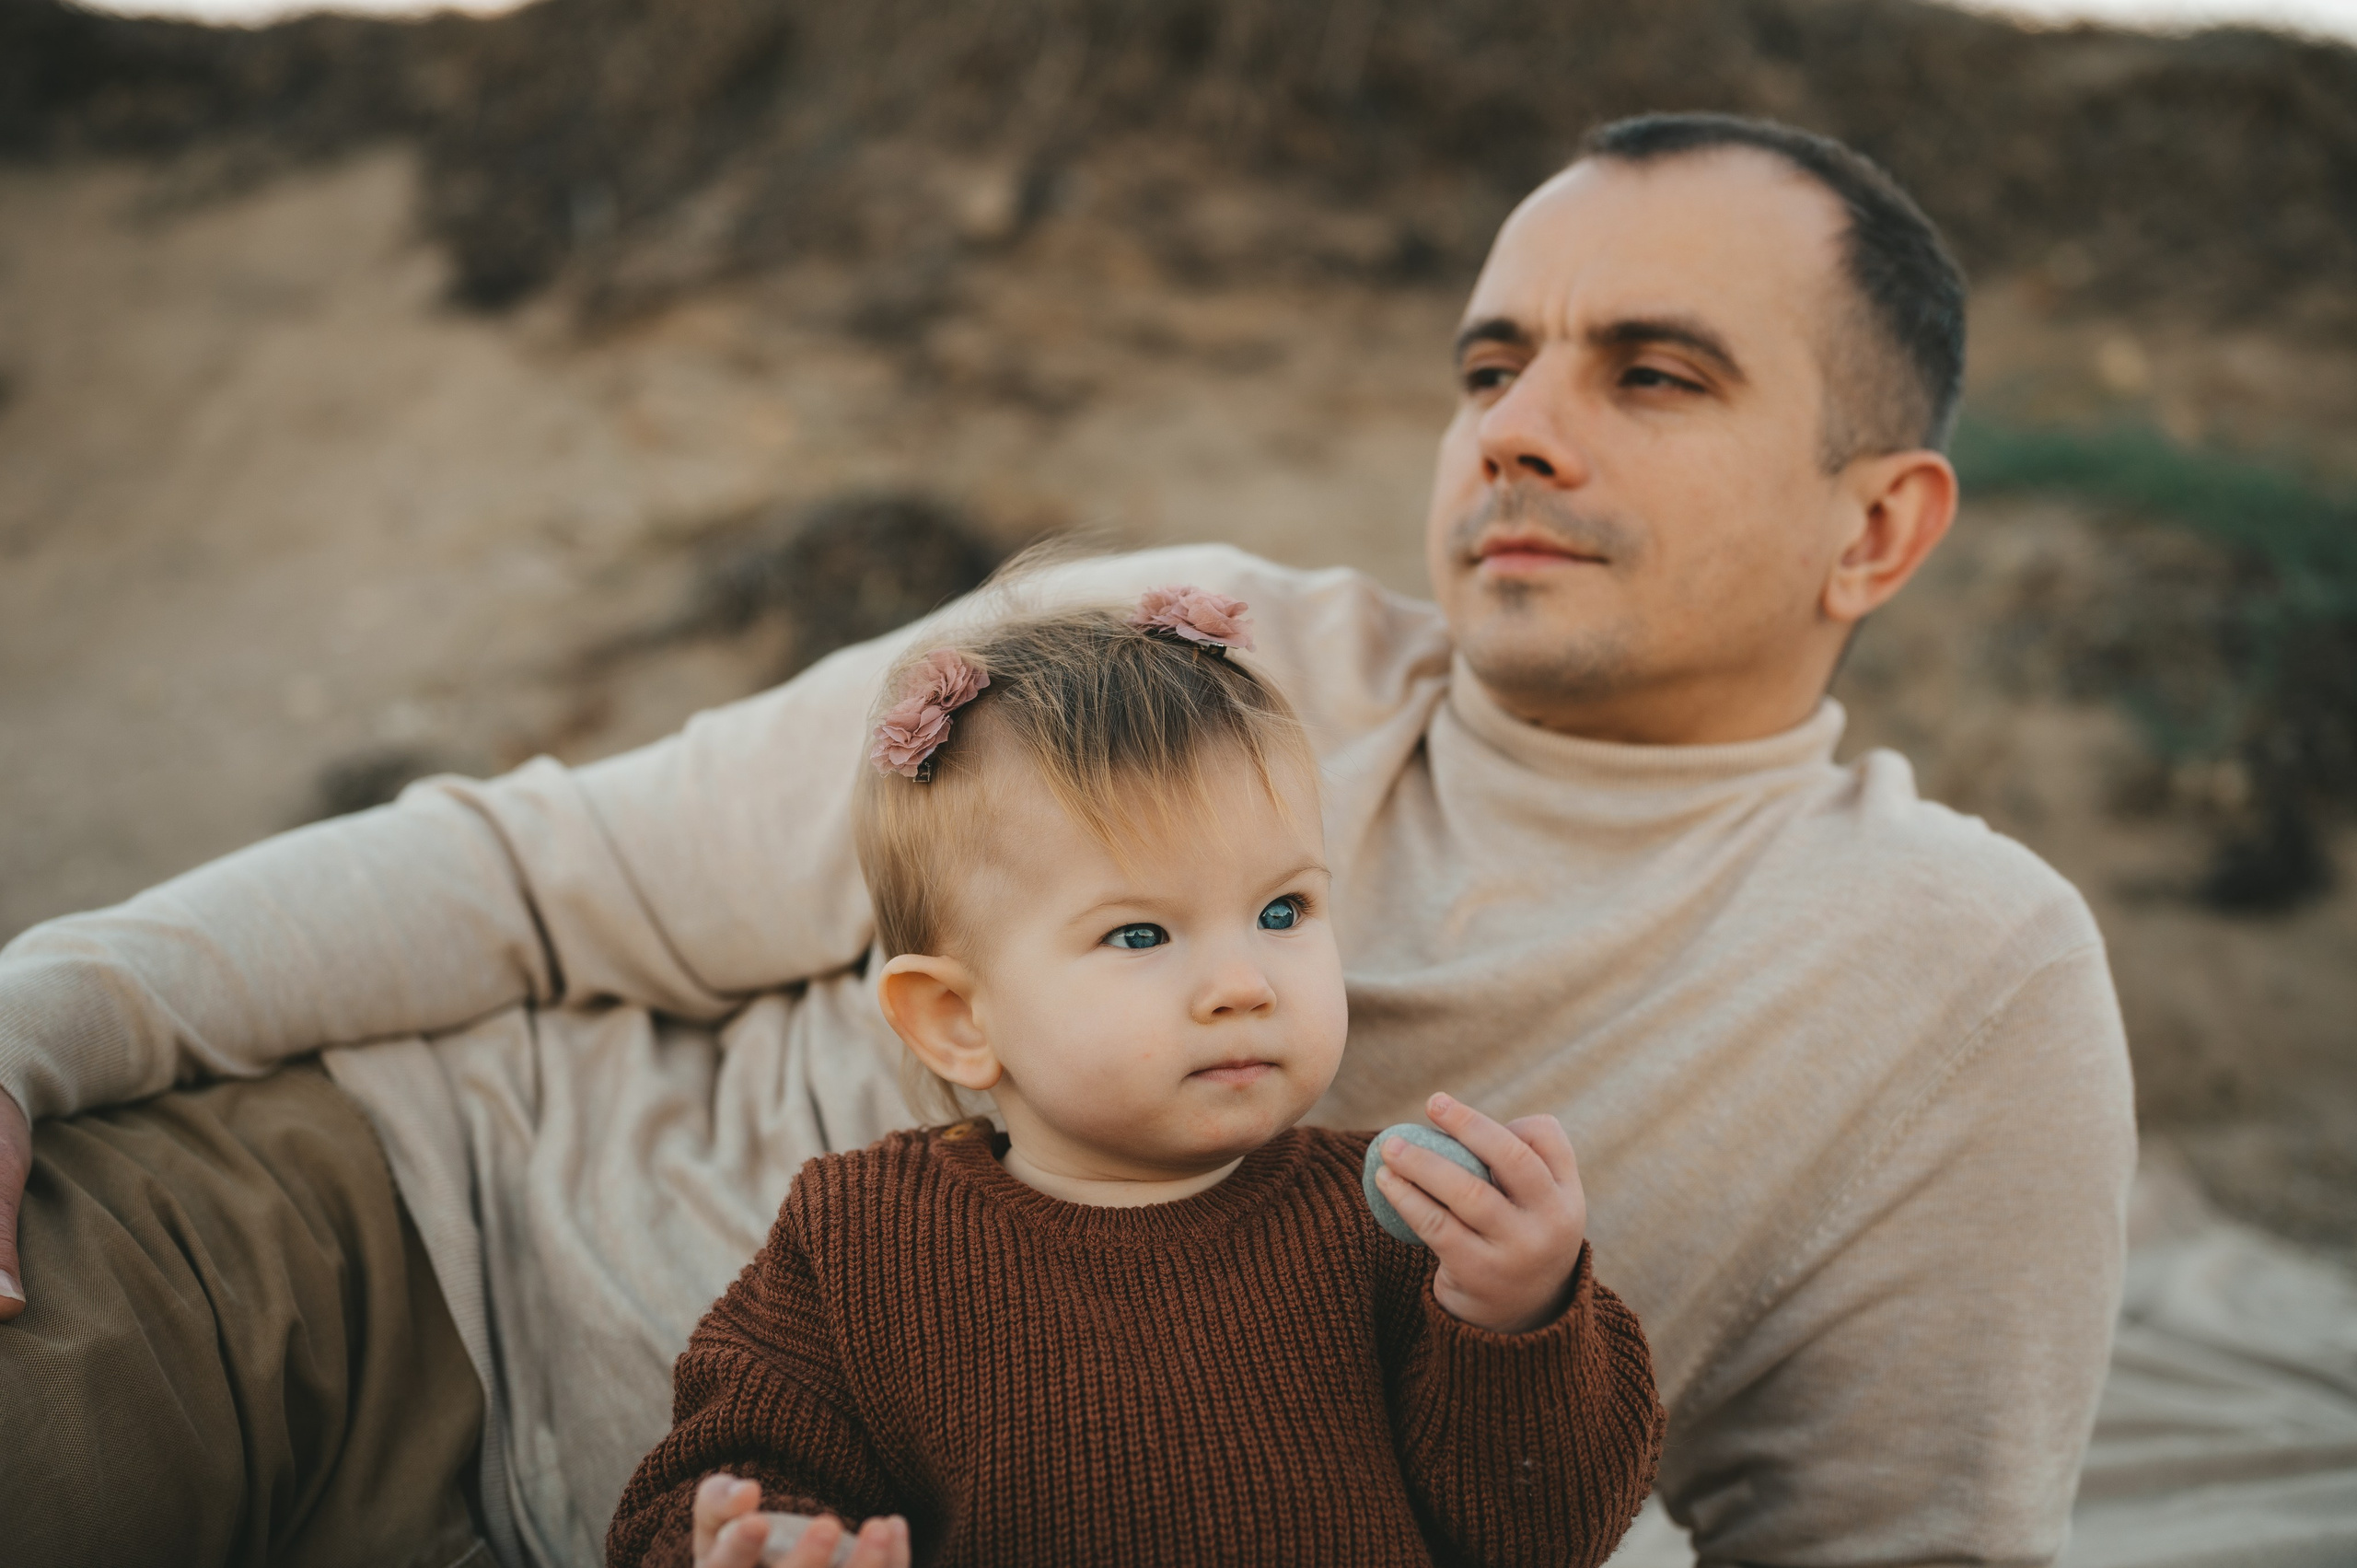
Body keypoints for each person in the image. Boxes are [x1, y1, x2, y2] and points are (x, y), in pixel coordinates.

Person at [0, 112, 2135, 1568]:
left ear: (1874, 524)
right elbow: (546, 875)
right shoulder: (1183, 645)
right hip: (405, 1246)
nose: (1514, 426)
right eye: (1488, 363)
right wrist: (36, 1027)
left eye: (1650, 372)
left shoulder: (1951, 977)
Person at [604, 595, 1663, 1568]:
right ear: (960, 1019)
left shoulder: (1388, 1235)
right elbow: (711, 1471)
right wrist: (750, 1542)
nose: (1243, 982)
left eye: (1283, 910)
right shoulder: (859, 1244)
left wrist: (1519, 1317)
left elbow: (1543, 1533)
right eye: (1140, 931)